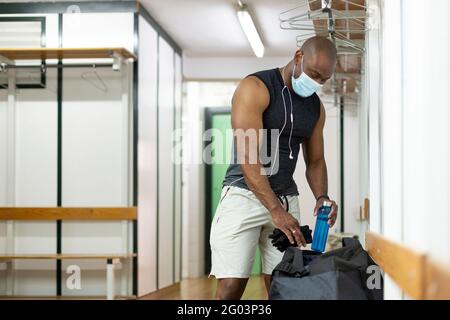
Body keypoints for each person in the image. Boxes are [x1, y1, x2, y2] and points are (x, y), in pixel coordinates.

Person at [209, 36, 339, 300]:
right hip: (243, 195)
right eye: (314, 74)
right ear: (299, 56)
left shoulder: (315, 108)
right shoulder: (255, 87)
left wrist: (322, 197)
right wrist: (275, 211)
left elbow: (315, 161)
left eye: (323, 79)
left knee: (284, 285)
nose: (316, 83)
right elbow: (249, 158)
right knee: (231, 288)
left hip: (285, 198)